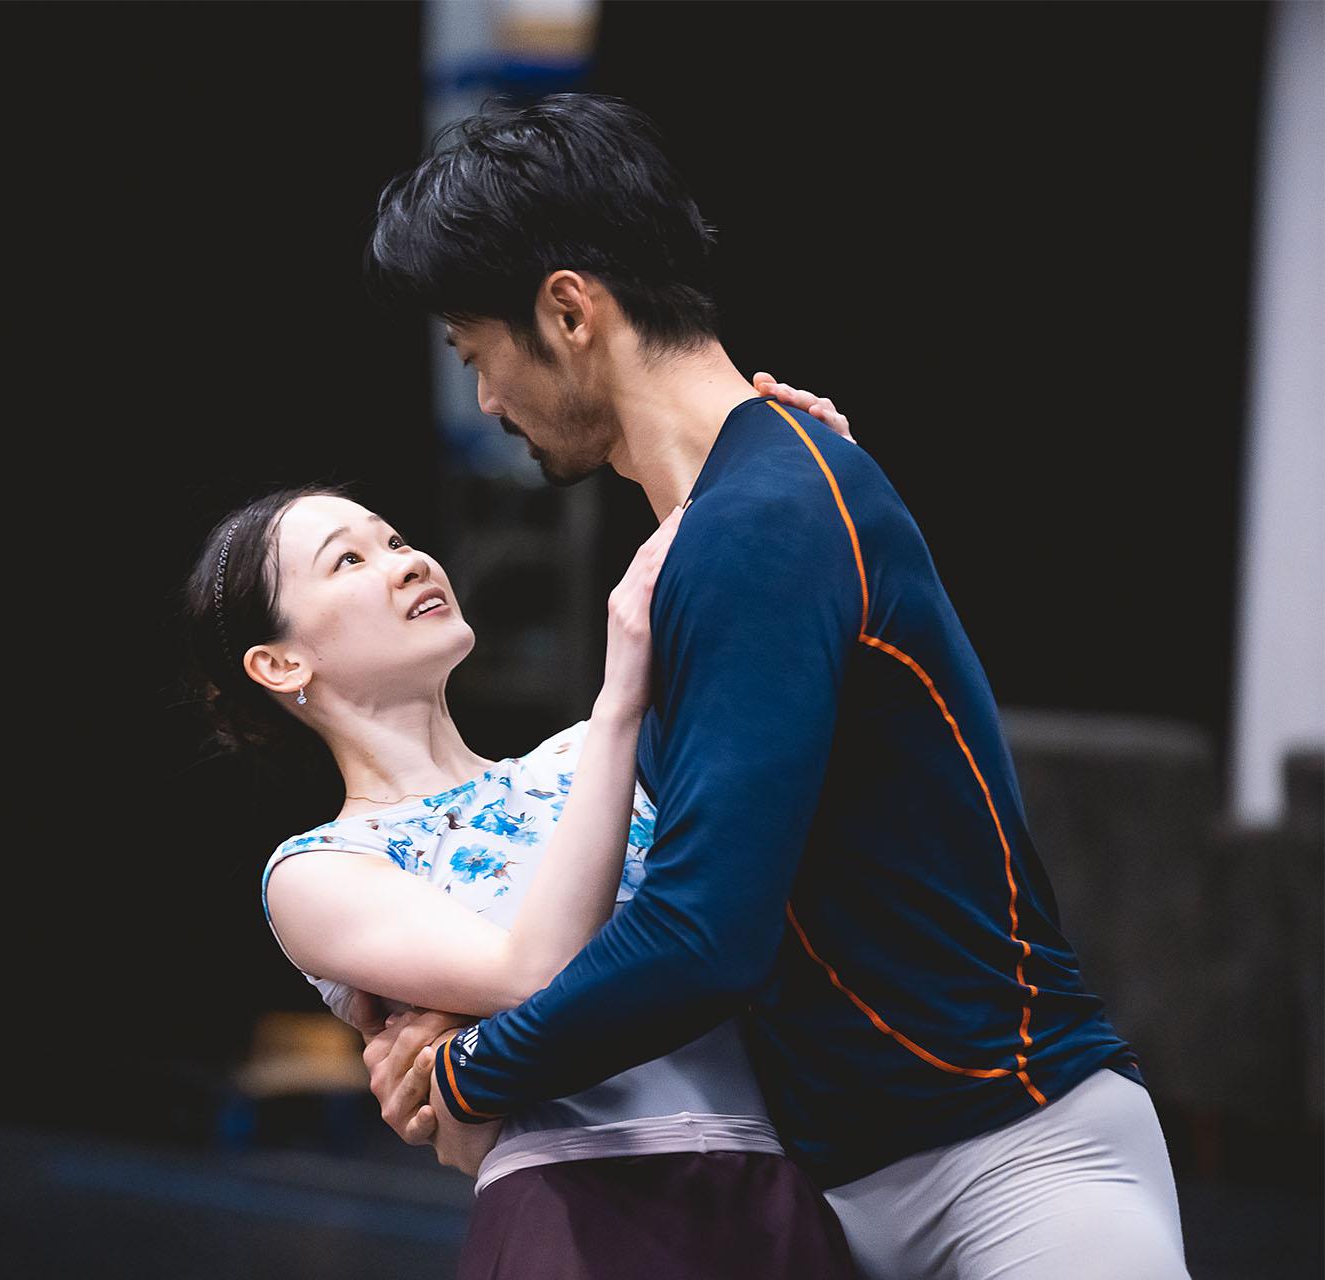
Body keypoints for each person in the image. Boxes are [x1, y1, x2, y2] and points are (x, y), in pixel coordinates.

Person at [359, 94, 1190, 1280]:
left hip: (1016, 1164)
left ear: (568, 310)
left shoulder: (767, 519)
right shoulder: (744, 510)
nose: (487, 400)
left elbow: (704, 935)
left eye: (474, 353)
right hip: (843, 1190)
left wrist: (466, 1069)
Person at [183, 430, 859, 1277]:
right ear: (280, 662)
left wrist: (799, 465)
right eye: (347, 561)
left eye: (395, 540)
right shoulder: (319, 869)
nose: (407, 562)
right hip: (577, 1213)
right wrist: (619, 701)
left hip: (766, 1183)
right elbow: (535, 975)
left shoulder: (584, 757)